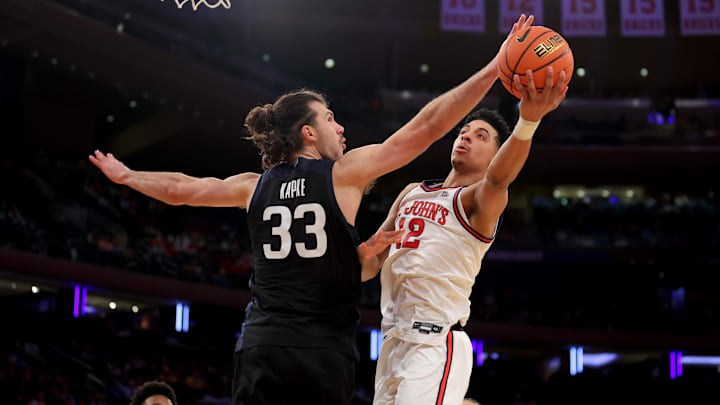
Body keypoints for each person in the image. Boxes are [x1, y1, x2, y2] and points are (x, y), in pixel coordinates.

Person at [89, 15, 531, 404]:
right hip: (322, 349)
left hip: (262, 343)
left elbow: (182, 189)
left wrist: (129, 177)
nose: (341, 128)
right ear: (308, 132)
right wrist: (495, 67)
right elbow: (427, 127)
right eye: (330, 119)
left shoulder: (252, 186)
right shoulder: (343, 174)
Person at [366, 17, 568, 405]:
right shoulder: (411, 192)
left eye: (481, 136)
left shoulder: (477, 201)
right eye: (463, 132)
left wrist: (527, 121)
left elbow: (499, 180)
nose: (466, 137)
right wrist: (357, 258)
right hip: (392, 341)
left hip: (435, 342)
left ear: (496, 154)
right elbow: (371, 262)